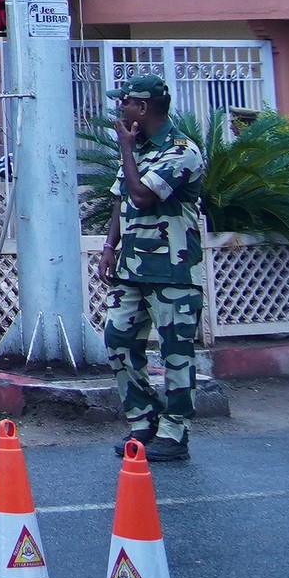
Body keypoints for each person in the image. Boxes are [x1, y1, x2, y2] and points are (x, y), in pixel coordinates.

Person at [98, 75, 208, 462]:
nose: (120, 108)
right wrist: (109, 246)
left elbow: (142, 195)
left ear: (143, 108)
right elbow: (121, 198)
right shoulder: (137, 147)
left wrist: (126, 149)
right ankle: (144, 418)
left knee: (176, 352)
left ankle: (175, 432)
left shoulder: (182, 151)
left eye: (125, 102)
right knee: (117, 340)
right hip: (131, 268)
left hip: (172, 271)